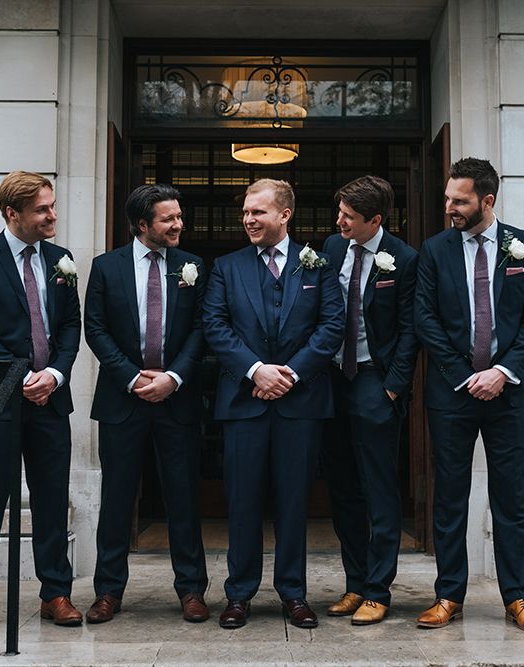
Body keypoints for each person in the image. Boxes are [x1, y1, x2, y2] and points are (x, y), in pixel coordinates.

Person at [414, 158, 524, 633]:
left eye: (459, 201)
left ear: (487, 201)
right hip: (452, 393)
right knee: (450, 496)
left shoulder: (523, 247)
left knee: (509, 496)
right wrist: (463, 375)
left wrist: (502, 372)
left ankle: (518, 597)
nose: (449, 207)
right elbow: (425, 318)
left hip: (507, 393)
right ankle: (449, 594)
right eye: (448, 198)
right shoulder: (434, 250)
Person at [203, 178, 344, 629]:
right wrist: (256, 371)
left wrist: (290, 374)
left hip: (299, 403)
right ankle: (239, 594)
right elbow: (216, 326)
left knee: (293, 502)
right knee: (242, 502)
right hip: (244, 402)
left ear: (284, 215)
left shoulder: (317, 265)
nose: (248, 219)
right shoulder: (226, 267)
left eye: (257, 212)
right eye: (245, 212)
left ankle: (293, 593)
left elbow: (331, 326)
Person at [84, 184, 209, 624]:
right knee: (117, 498)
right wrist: (132, 376)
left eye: (179, 216)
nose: (179, 225)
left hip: (176, 400)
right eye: (169, 219)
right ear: (142, 225)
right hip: (124, 399)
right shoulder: (106, 267)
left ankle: (192, 589)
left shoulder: (192, 266)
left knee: (183, 498)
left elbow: (200, 328)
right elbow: (95, 329)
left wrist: (173, 378)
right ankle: (108, 591)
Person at [0, 172, 82, 631]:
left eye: (52, 206)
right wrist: (18, 374)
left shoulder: (62, 260)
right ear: (12, 214)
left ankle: (55, 593)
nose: (53, 215)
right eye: (43, 209)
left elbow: (69, 327)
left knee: (50, 497)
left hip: (50, 400)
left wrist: (55, 374)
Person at [322, 175, 419, 625]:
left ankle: (379, 589)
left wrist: (393, 386)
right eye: (340, 212)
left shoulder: (403, 259)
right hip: (332, 382)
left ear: (375, 220)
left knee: (379, 489)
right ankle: (355, 583)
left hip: (374, 381)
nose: (339, 221)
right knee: (342, 487)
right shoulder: (331, 247)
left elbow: (409, 330)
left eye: (349, 216)